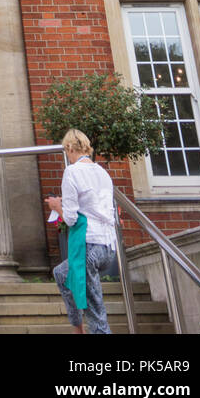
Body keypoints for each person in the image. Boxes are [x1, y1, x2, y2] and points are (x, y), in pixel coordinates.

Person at [46, 128, 116, 336]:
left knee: (96, 312)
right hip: (108, 247)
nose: (67, 155)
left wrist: (57, 206)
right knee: (61, 274)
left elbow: (71, 218)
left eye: (66, 151)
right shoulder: (102, 172)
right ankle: (78, 329)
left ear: (69, 148)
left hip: (89, 246)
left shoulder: (72, 172)